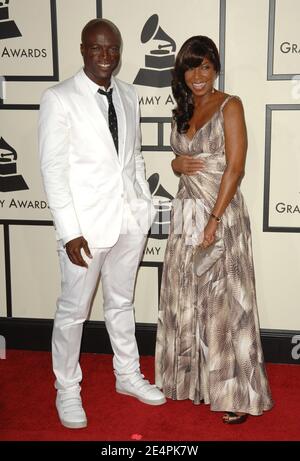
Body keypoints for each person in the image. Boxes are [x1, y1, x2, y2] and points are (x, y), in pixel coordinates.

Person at [38, 18, 166, 429]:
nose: (106, 56)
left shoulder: (129, 95)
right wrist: (69, 230)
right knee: (73, 312)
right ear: (82, 50)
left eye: (112, 49)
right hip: (85, 230)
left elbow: (135, 156)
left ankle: (127, 376)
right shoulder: (59, 98)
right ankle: (67, 389)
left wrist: (143, 204)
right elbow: (53, 169)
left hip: (129, 221)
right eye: (97, 48)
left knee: (121, 304)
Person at [155, 35, 273, 423]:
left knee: (227, 306)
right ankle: (198, 385)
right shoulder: (182, 108)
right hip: (186, 213)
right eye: (190, 67)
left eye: (205, 66)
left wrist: (214, 219)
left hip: (219, 215)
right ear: (182, 72)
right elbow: (181, 159)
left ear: (215, 67)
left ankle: (238, 394)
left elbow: (236, 167)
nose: (198, 76)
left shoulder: (230, 105)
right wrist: (175, 165)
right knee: (188, 298)